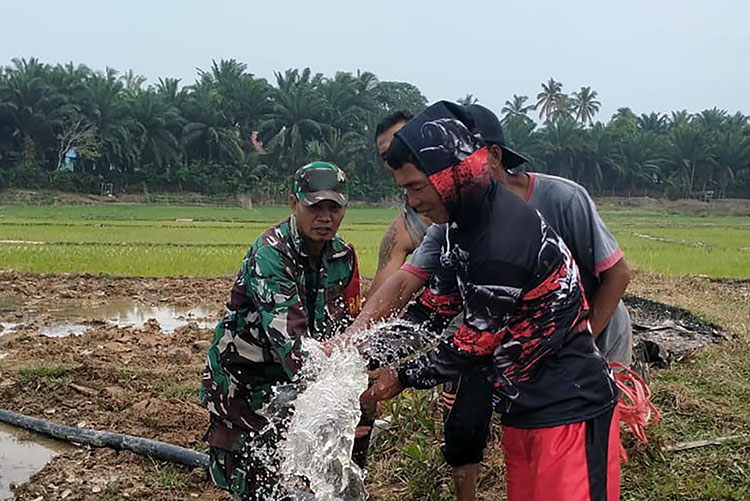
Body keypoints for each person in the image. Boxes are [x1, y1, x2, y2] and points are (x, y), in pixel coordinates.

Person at [347, 101, 622, 501]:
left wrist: (399, 378)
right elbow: (430, 311)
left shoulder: (502, 239)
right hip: (525, 408)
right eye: (404, 188)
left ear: (454, 174)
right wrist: (359, 351)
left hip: (569, 410)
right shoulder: (462, 226)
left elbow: (473, 345)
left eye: (416, 187)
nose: (411, 202)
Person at [200, 162, 362, 501]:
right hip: (245, 381)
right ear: (293, 204)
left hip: (293, 385)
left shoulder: (342, 256)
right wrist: (344, 391)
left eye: (334, 207)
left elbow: (347, 327)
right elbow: (292, 344)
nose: (325, 216)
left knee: (286, 466)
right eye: (315, 206)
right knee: (247, 478)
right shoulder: (271, 253)